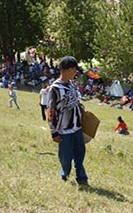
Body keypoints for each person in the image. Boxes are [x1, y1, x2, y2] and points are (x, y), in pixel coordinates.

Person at [47, 56, 88, 186]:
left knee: (80, 153)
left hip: (77, 127)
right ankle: (65, 172)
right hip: (63, 129)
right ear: (69, 70)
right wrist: (53, 131)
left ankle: (82, 178)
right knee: (66, 157)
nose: (76, 73)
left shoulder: (71, 85)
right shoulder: (55, 88)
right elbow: (50, 110)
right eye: (75, 70)